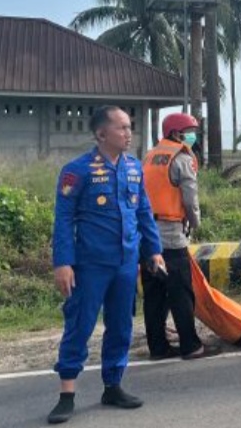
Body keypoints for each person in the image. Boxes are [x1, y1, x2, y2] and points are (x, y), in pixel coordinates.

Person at [47, 106, 164, 424]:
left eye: (129, 127)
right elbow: (63, 219)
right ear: (101, 134)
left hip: (126, 263)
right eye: (122, 127)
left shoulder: (134, 168)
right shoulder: (77, 171)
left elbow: (143, 212)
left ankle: (113, 386)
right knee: (80, 325)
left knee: (121, 326)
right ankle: (67, 394)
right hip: (90, 265)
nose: (128, 133)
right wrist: (63, 263)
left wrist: (153, 251)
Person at [140, 112, 205, 361]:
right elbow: (190, 197)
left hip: (147, 233)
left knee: (154, 294)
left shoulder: (150, 155)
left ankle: (158, 348)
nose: (192, 136)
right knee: (180, 291)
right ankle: (190, 345)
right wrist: (195, 223)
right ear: (176, 133)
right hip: (170, 233)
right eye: (190, 132)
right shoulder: (181, 158)